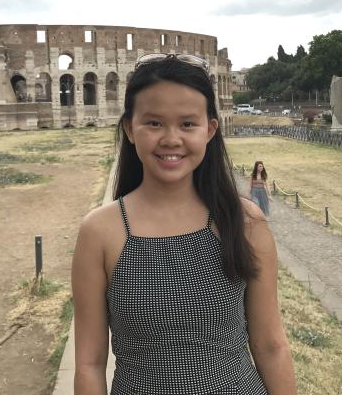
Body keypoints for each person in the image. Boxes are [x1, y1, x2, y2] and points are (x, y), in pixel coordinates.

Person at [72, 54, 297, 395]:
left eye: (188, 124)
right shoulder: (100, 232)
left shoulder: (245, 222)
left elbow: (271, 345)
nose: (171, 138)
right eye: (154, 123)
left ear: (210, 130)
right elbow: (89, 364)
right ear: (130, 129)